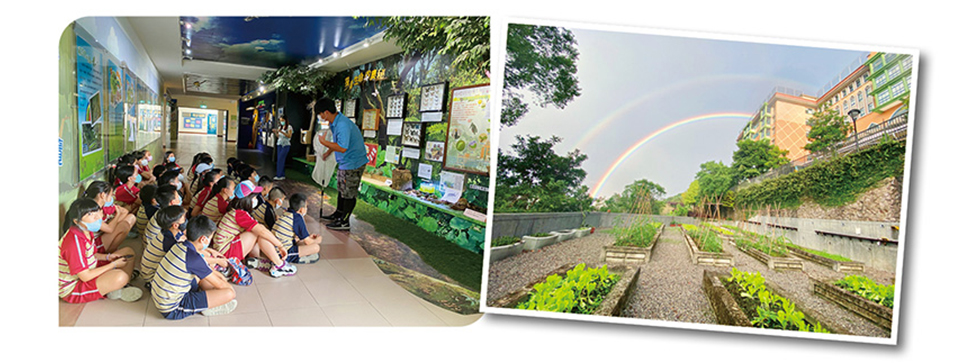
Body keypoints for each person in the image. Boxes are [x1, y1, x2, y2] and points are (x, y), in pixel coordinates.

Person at [151, 215, 237, 319]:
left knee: (203, 278)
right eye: (210, 237)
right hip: (172, 308)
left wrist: (220, 279)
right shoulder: (194, 259)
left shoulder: (180, 245)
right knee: (229, 294)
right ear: (203, 239)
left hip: (162, 297)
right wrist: (226, 287)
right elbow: (222, 286)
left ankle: (206, 300)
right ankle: (208, 307)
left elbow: (208, 270)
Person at [59, 199, 142, 303]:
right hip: (73, 287)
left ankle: (118, 286)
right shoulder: (74, 242)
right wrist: (113, 265)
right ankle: (116, 289)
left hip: (89, 268)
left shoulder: (86, 231)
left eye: (97, 211)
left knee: (128, 252)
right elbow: (85, 276)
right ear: (77, 221)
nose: (98, 217)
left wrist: (108, 257)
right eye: (90, 214)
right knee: (120, 276)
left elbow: (92, 255)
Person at [213, 180, 296, 277]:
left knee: (257, 231)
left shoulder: (236, 209)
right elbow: (260, 230)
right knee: (257, 232)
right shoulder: (240, 214)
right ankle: (279, 265)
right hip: (226, 253)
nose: (256, 200)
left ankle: (255, 260)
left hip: (224, 248)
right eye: (255, 197)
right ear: (247, 199)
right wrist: (280, 245)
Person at [315, 97, 369, 231]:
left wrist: (324, 143)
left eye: (320, 113)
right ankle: (338, 214)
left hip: (353, 163)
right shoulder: (335, 123)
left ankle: (344, 221)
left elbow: (342, 147)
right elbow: (338, 143)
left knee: (349, 192)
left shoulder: (342, 124)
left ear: (326, 112)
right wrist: (328, 152)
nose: (320, 116)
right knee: (342, 189)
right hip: (345, 162)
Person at [83, 181, 136, 253]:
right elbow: (110, 229)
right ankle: (108, 253)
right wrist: (117, 215)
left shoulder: (103, 205)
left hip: (103, 234)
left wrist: (117, 216)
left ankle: (110, 250)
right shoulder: (91, 211)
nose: (111, 198)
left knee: (131, 218)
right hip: (94, 243)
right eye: (110, 195)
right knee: (124, 226)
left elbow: (125, 212)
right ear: (102, 195)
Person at [272, 193, 322, 264]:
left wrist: (309, 238)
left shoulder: (287, 213)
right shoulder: (297, 218)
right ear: (302, 209)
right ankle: (296, 258)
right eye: (306, 207)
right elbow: (308, 242)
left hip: (273, 248)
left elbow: (301, 238)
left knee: (299, 241)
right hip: (282, 252)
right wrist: (317, 240)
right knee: (316, 247)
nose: (306, 209)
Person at [274, 115, 293, 180]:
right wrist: (276, 132)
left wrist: (281, 131)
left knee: (281, 159)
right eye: (280, 120)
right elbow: (279, 136)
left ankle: (279, 175)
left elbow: (289, 136)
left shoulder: (289, 127)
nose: (281, 122)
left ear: (285, 120)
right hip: (279, 144)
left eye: (282, 120)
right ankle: (281, 174)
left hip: (286, 145)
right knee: (279, 159)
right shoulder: (280, 127)